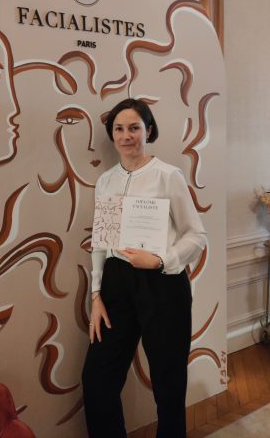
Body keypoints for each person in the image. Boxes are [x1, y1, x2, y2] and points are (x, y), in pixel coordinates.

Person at [82, 98, 207, 438]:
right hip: (117, 282)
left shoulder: (168, 176)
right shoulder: (106, 181)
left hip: (163, 285)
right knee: (97, 379)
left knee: (168, 384)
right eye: (119, 129)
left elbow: (196, 235)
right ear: (112, 135)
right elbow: (101, 239)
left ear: (148, 130)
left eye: (134, 128)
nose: (126, 136)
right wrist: (96, 294)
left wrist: (161, 259)